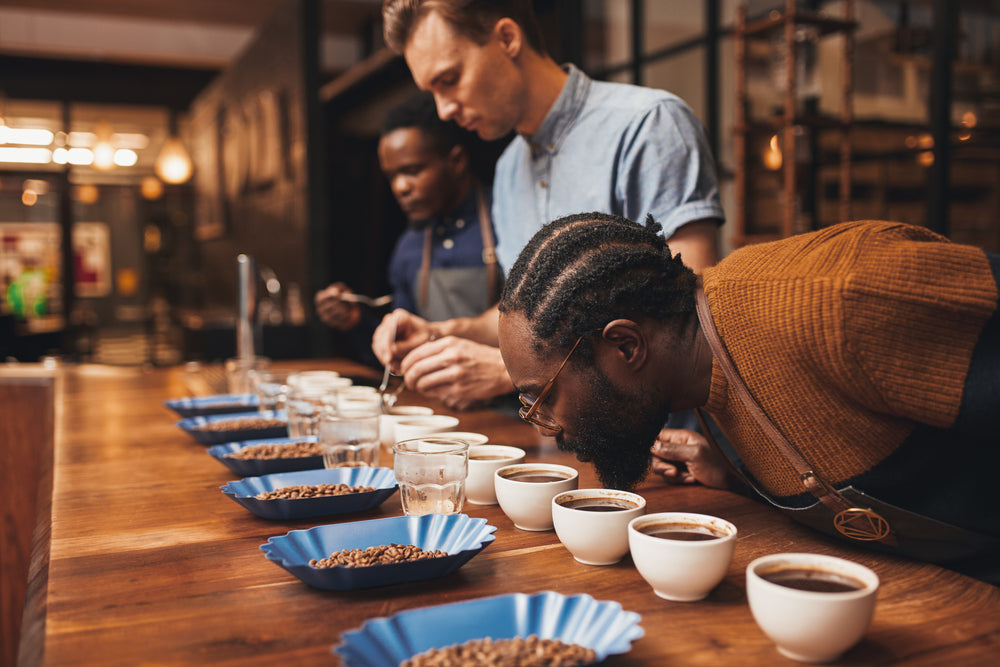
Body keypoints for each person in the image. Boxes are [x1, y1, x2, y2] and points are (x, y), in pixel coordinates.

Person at [495, 212, 1000, 584]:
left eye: (543, 399)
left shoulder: (841, 298)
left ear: (625, 345)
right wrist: (738, 478)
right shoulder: (695, 373)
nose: (549, 426)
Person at [372, 0, 725, 409]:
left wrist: (510, 372)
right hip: (553, 441)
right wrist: (444, 332)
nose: (444, 109)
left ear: (507, 38)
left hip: (658, 448)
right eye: (432, 91)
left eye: (449, 79)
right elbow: (524, 315)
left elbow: (688, 321)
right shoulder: (507, 169)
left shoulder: (648, 124)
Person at [314, 91, 502, 364]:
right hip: (435, 397)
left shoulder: (507, 216)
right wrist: (356, 321)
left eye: (412, 170)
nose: (400, 187)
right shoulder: (410, 244)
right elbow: (401, 352)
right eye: (392, 176)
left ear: (457, 161)